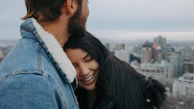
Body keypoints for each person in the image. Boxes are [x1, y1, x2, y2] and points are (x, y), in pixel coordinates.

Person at [0, 0, 89, 108]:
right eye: (87, 2)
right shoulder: (34, 81)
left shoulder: (39, 70)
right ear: (71, 4)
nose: (88, 11)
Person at [64, 32, 167, 109]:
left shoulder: (125, 91)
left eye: (88, 60)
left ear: (100, 56)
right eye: (74, 66)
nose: (84, 71)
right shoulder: (73, 92)